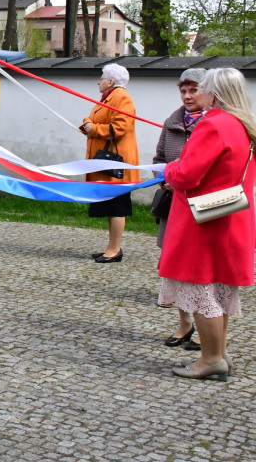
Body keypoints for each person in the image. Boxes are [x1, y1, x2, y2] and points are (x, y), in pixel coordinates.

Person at [157, 68, 256, 381]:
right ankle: (219, 352)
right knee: (218, 289)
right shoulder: (244, 123)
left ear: (215, 92)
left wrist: (170, 170)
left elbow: (187, 174)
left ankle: (211, 358)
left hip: (203, 220)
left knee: (200, 290)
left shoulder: (213, 124)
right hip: (230, 213)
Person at [153, 68, 208, 350]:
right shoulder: (172, 122)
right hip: (175, 207)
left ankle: (207, 329)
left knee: (203, 269)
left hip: (203, 209)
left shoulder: (216, 124)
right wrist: (165, 179)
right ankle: (184, 323)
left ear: (207, 91)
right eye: (183, 91)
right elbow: (159, 159)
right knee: (175, 267)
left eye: (193, 90)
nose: (187, 96)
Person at [81, 63, 140, 263]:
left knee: (117, 206)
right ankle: (111, 247)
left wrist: (93, 128)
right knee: (110, 206)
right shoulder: (109, 97)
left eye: (102, 78)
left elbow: (120, 127)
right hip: (105, 164)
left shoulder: (121, 97)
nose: (99, 81)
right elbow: (93, 118)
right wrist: (88, 124)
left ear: (111, 82)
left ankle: (114, 249)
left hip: (116, 165)